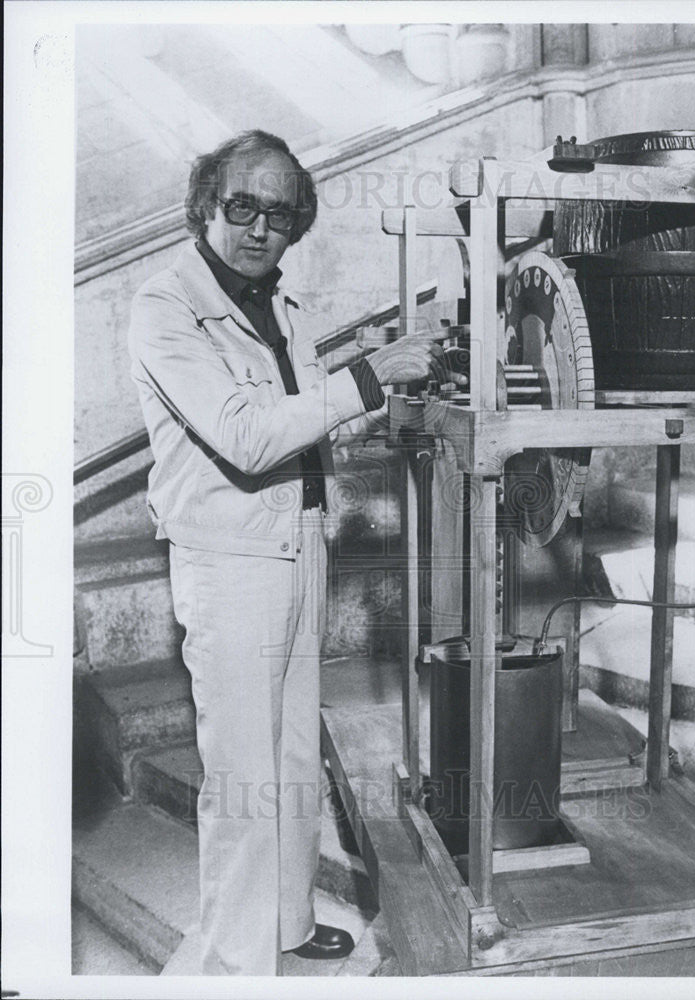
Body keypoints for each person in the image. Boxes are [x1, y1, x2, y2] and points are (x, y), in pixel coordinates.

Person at [128, 129, 463, 975]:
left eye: (279, 213)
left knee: (287, 754)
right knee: (239, 771)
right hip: (228, 559)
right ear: (207, 204)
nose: (258, 227)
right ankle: (239, 967)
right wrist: (370, 375)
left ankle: (282, 922)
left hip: (299, 543)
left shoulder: (283, 308)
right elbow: (243, 436)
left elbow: (305, 419)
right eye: (241, 205)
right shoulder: (165, 307)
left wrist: (394, 389)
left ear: (295, 225)